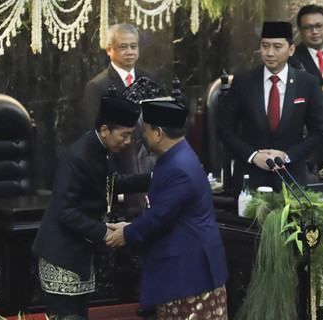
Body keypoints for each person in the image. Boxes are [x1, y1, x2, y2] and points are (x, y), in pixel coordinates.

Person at [106, 100, 228, 320]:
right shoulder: (177, 156)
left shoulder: (178, 167)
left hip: (190, 275)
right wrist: (130, 227)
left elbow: (160, 217)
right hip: (184, 271)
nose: (143, 137)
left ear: (159, 133)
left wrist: (126, 233)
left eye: (146, 131)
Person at [32, 95, 151, 319]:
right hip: (62, 255)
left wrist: (156, 177)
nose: (128, 142)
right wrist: (106, 233)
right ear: (105, 129)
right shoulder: (78, 156)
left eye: (130, 136)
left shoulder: (100, 150)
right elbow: (64, 211)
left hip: (80, 252)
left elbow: (113, 182)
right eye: (124, 135)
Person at [218, 21, 323, 196]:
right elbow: (224, 129)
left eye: (277, 47)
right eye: (265, 46)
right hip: (250, 178)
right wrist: (253, 156)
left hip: (291, 178)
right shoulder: (244, 82)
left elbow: (320, 131)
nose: (270, 53)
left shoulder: (307, 83)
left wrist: (287, 155)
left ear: (291, 50)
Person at [83, 23, 156, 218]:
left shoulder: (149, 79)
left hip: (149, 167)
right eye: (123, 47)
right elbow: (97, 135)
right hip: (119, 171)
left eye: (134, 46)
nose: (130, 52)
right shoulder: (97, 86)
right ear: (109, 49)